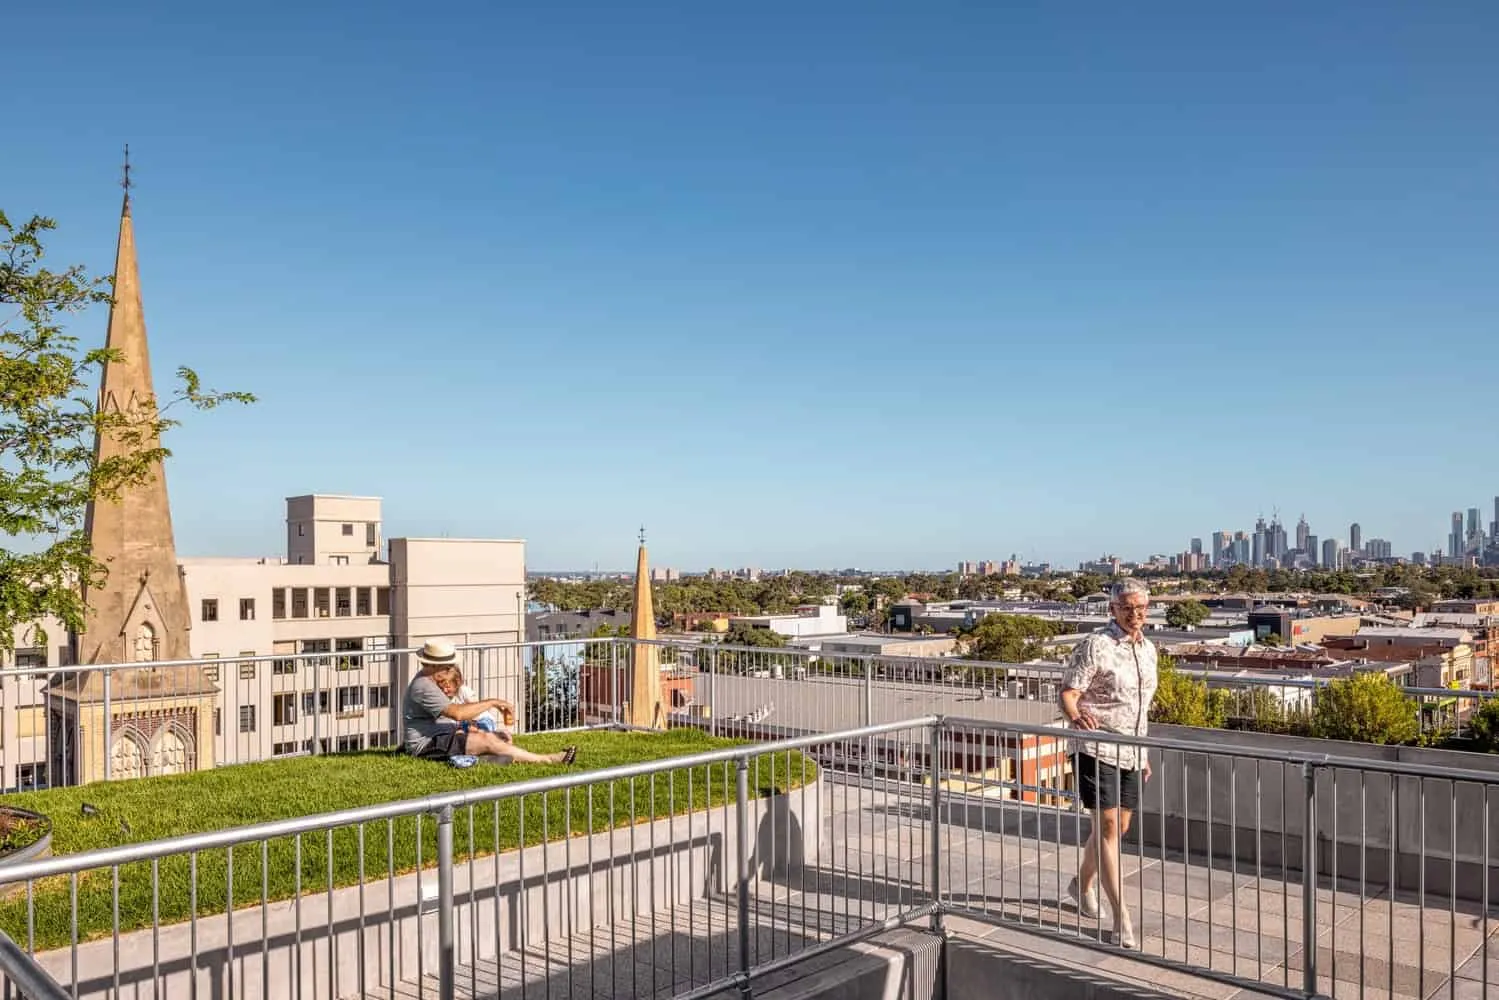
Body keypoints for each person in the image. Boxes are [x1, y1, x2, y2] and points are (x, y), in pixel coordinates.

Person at [1059, 579, 1159, 949]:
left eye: (1140, 608)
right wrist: (1076, 716)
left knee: (1118, 828)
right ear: (1112, 609)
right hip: (1096, 747)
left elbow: (1140, 708)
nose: (1135, 614)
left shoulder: (1148, 649)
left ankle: (1081, 884)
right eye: (1127, 608)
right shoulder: (1096, 645)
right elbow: (1068, 692)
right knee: (1108, 827)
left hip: (1132, 751)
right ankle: (1121, 916)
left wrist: (1143, 753)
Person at [403, 640, 576, 765]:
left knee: (501, 737)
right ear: (433, 666)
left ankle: (488, 758)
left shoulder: (429, 680)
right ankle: (547, 759)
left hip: (443, 735)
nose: (449, 671)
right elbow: (458, 713)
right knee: (487, 738)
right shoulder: (423, 686)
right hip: (428, 745)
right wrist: (492, 702)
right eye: (447, 667)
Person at [437, 667, 511, 739]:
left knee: (480, 735)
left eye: (448, 687)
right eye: (442, 688)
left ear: (457, 683)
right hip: (464, 723)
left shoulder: (464, 691)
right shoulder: (444, 697)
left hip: (481, 720)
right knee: (459, 735)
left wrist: (473, 724)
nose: (445, 690)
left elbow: (474, 708)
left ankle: (500, 736)